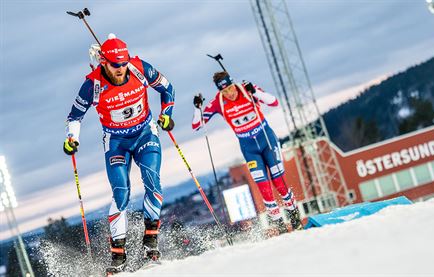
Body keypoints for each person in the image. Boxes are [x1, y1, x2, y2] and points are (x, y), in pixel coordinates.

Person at [63, 34, 175, 274]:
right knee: (121, 192)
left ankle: (151, 243)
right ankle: (118, 256)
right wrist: (72, 138)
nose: (121, 69)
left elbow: (167, 88)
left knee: (152, 182)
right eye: (116, 65)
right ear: (104, 62)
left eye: (123, 63)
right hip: (116, 142)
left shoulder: (139, 67)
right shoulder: (92, 84)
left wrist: (167, 113)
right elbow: (75, 116)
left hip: (145, 133)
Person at [191, 71, 303, 234]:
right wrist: (197, 108)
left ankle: (294, 217)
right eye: (224, 91)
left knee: (279, 183)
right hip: (249, 148)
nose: (229, 93)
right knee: (264, 188)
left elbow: (274, 102)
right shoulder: (219, 102)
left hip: (267, 140)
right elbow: (197, 125)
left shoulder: (245, 89)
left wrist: (255, 92)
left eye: (230, 88)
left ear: (233, 84)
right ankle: (279, 224)